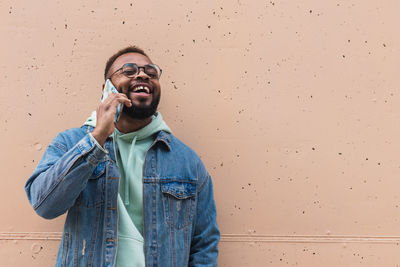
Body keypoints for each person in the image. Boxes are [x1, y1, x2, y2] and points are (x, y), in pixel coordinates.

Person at [24, 46, 220, 267]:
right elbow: (44, 205)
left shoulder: (186, 161)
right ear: (106, 89)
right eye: (128, 70)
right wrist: (96, 138)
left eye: (151, 72)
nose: (142, 75)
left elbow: (204, 244)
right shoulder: (70, 143)